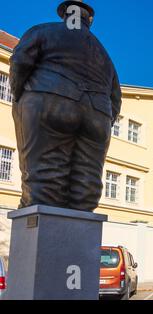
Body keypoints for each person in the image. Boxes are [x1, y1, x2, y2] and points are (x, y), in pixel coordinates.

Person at [9, 0, 122, 212]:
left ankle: (40, 234)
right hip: (98, 114)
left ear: (64, 14)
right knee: (86, 188)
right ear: (89, 20)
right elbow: (116, 98)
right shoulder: (104, 55)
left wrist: (19, 97)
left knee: (44, 180)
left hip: (49, 101)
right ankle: (79, 234)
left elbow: (20, 61)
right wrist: (103, 119)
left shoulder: (43, 31)